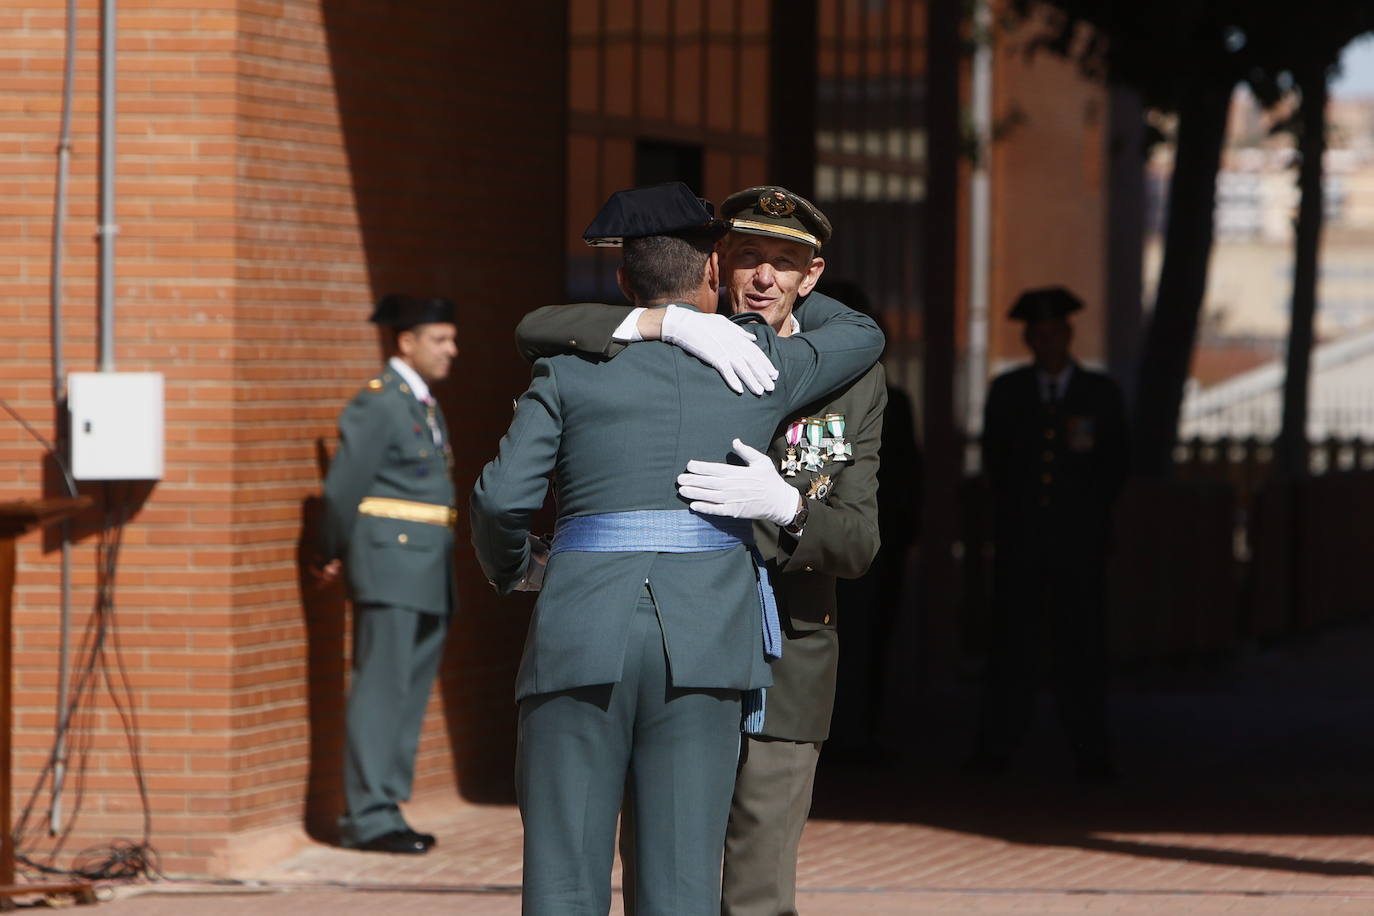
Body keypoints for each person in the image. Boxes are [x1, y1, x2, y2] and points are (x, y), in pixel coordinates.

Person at [470, 182, 883, 916]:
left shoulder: (568, 367)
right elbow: (864, 333)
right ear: (714, 272)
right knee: (681, 883)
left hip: (583, 624)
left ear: (624, 281)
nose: (764, 279)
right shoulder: (759, 362)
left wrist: (521, 569)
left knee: (564, 876)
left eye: (787, 264)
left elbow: (501, 496)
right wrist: (672, 323)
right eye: (744, 261)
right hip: (706, 640)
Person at [315, 294, 459, 854]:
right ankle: (369, 816)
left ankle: (385, 806)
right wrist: (328, 548)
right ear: (406, 342)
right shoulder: (380, 402)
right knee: (381, 690)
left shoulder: (417, 401)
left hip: (423, 563)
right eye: (441, 339)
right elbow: (343, 488)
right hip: (391, 563)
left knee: (406, 692)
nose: (453, 350)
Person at [969, 286, 1129, 782]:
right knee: (1011, 648)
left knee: (1082, 647)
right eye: (1039, 334)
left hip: (1079, 547)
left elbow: (1115, 467)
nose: (1049, 341)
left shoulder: (1100, 393)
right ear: (1030, 339)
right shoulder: (1009, 390)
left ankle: (1090, 750)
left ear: (1069, 335)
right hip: (1021, 544)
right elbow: (997, 463)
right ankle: (998, 746)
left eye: (1056, 332)